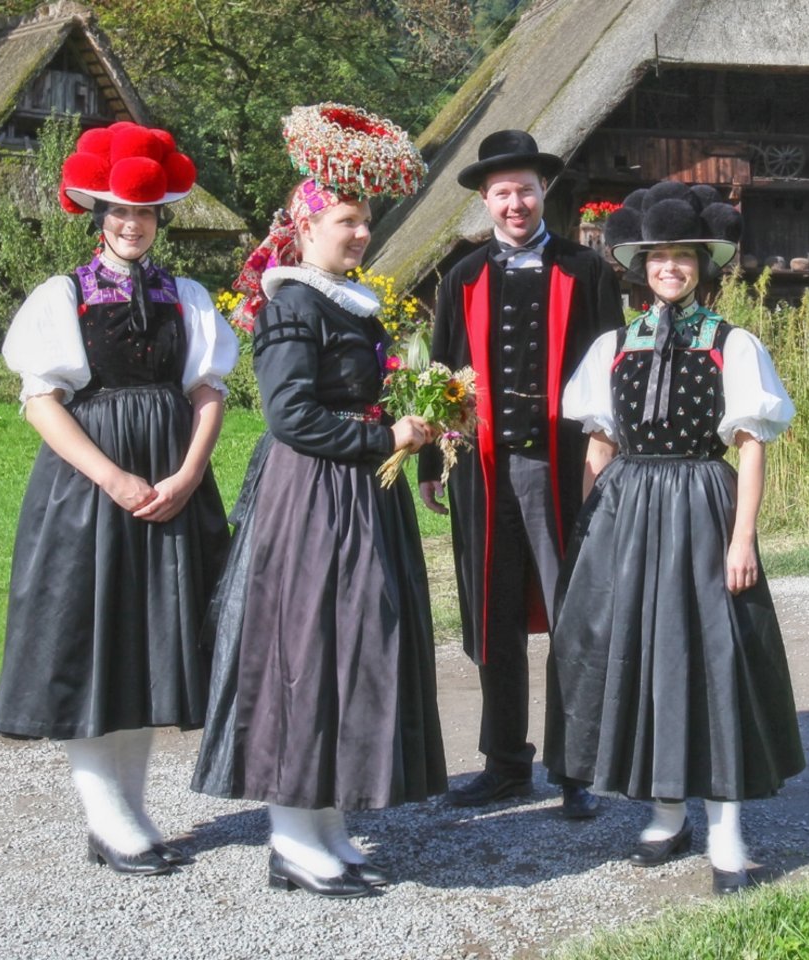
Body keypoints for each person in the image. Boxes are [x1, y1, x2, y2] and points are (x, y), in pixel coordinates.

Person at [193, 104, 443, 899]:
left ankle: (327, 826)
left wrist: (417, 425)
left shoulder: (345, 299)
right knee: (306, 655)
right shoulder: (292, 304)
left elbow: (360, 396)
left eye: (365, 221)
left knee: (351, 650)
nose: (361, 233)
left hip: (357, 496)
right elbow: (290, 416)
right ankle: (294, 840)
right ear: (305, 228)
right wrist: (383, 436)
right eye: (346, 221)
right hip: (312, 499)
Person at [0, 121, 236, 876]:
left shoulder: (186, 297)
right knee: (96, 641)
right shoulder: (61, 296)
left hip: (173, 484)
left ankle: (129, 815)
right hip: (91, 491)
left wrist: (188, 474)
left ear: (161, 218)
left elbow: (208, 390)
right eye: (120, 213)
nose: (133, 225)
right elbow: (41, 401)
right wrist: (112, 477)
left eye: (145, 213)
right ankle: (108, 818)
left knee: (150, 646)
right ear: (99, 216)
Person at [554, 180, 805, 896]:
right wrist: (590, 529)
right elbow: (599, 444)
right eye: (658, 258)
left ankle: (726, 832)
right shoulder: (613, 345)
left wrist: (742, 539)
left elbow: (751, 446)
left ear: (701, 266)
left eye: (684, 257)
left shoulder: (733, 343)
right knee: (642, 654)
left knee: (712, 657)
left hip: (701, 505)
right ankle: (667, 814)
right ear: (641, 267)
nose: (670, 268)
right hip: (628, 511)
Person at [419, 130, 623, 818]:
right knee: (492, 617)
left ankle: (576, 769)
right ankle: (505, 764)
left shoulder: (586, 271)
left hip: (563, 469)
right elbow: (441, 373)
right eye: (503, 193)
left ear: (544, 193)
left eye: (526, 191)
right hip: (481, 472)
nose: (516, 203)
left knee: (573, 615)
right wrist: (431, 464)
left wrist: (609, 460)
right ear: (485, 199)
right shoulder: (462, 277)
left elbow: (613, 374)